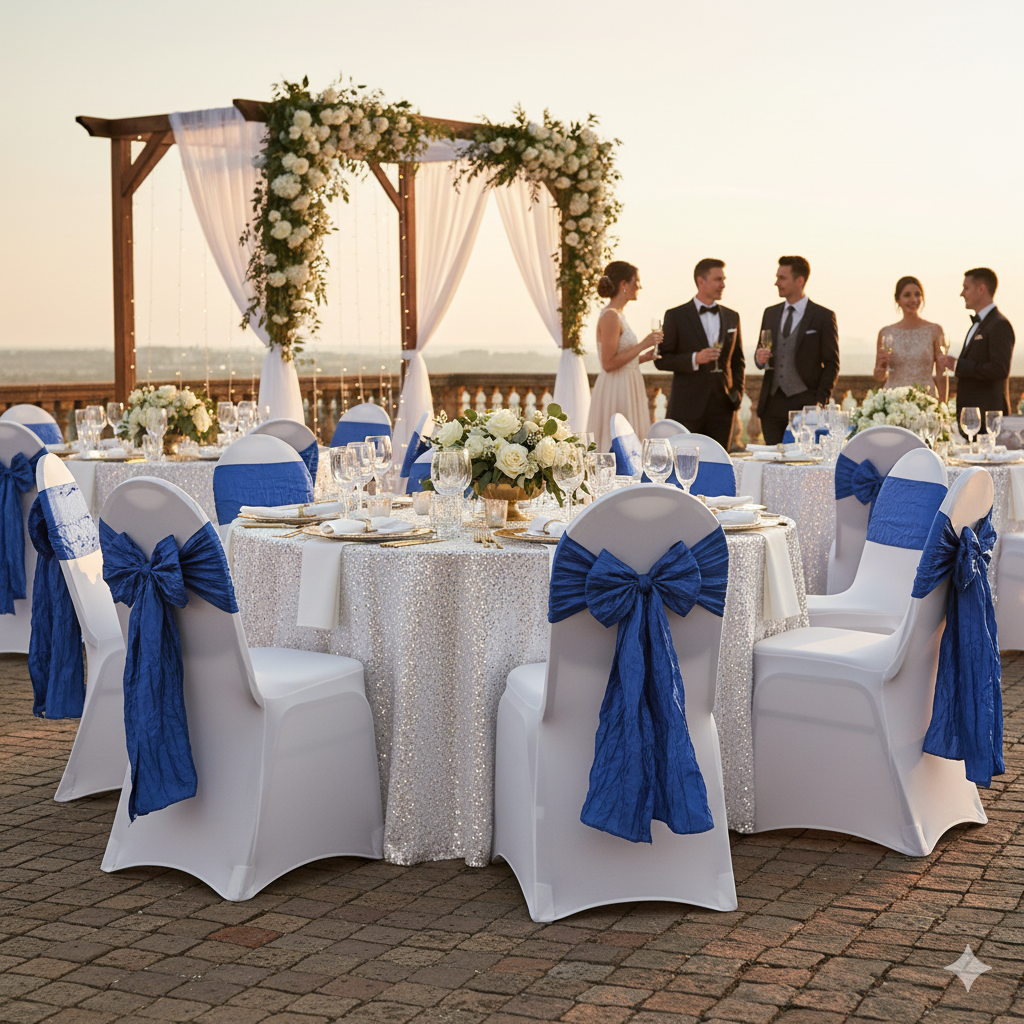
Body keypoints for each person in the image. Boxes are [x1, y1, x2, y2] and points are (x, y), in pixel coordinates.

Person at [654, 258, 744, 449]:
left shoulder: (732, 316)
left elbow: (738, 361)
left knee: (719, 468)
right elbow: (662, 360)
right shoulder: (676, 315)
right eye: (718, 279)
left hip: (723, 408)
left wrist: (737, 395)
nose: (723, 284)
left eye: (723, 279)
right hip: (687, 407)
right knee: (682, 467)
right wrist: (695, 358)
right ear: (701, 281)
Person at [753, 256, 840, 445]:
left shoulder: (823, 316)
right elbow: (761, 351)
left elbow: (832, 363)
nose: (776, 283)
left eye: (782, 278)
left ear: (799, 280)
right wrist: (760, 359)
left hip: (805, 404)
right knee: (773, 464)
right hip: (771, 405)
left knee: (803, 462)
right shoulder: (770, 313)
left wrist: (819, 402)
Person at [586, 261, 661, 452]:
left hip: (627, 382)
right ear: (624, 284)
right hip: (617, 389)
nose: (640, 286)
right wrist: (644, 343)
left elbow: (620, 357)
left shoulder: (619, 314)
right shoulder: (610, 316)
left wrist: (642, 357)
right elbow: (608, 363)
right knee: (619, 447)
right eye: (637, 281)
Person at [937, 267, 1015, 427]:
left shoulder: (999, 324)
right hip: (974, 420)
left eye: (966, 288)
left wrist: (958, 365)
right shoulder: (980, 324)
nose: (962, 293)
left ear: (981, 289)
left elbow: (1000, 369)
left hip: (989, 418)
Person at [873, 276, 947, 400]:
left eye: (917, 295)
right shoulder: (886, 333)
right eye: (907, 295)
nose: (913, 300)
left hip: (925, 400)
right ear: (898, 300)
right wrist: (879, 370)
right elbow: (880, 376)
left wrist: (943, 404)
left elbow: (941, 373)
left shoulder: (934, 330)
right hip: (894, 401)